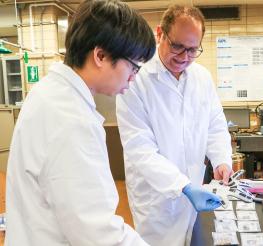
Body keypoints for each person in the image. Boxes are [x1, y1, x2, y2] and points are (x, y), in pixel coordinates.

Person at [5, 0, 155, 245]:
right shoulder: (70, 118)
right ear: (101, 55)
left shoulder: (50, 93)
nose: (134, 78)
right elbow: (97, 231)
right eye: (134, 66)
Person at [116, 5, 233, 246]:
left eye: (192, 50)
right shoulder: (136, 79)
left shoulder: (201, 77)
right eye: (177, 46)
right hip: (157, 200)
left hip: (195, 194)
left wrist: (221, 159)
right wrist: (183, 186)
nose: (183, 57)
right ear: (160, 34)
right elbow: (139, 149)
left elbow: (215, 124)